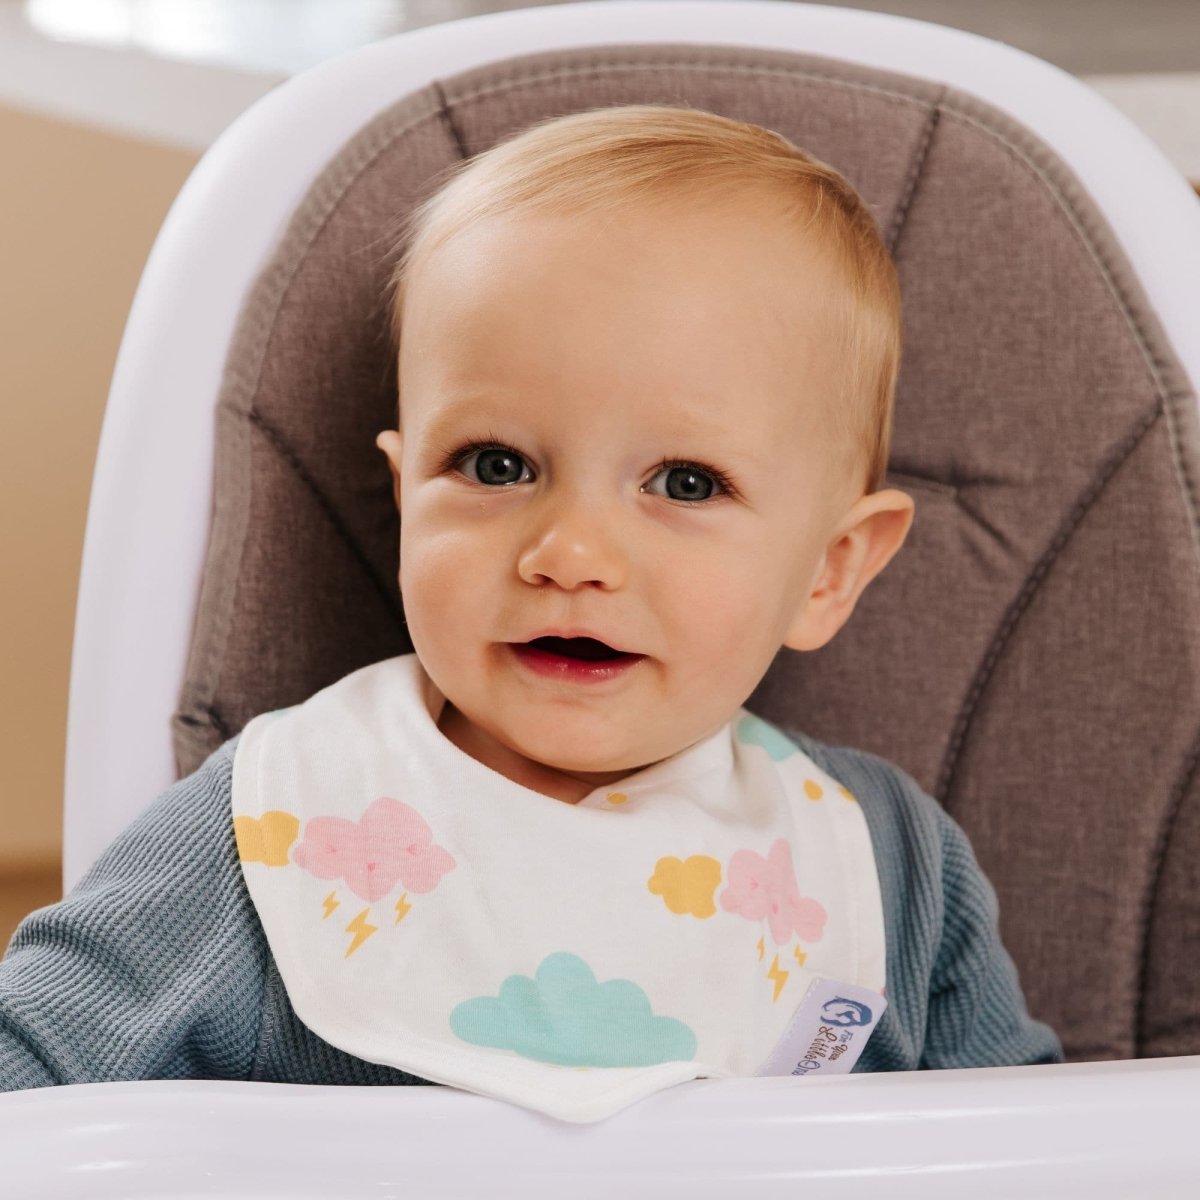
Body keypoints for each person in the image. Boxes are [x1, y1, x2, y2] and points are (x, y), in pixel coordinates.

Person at [0, 105, 1061, 1122]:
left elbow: (1050, 1150)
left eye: (686, 483)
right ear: (407, 496)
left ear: (830, 570)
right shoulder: (266, 830)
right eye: (495, 465)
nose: (571, 555)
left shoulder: (891, 865)